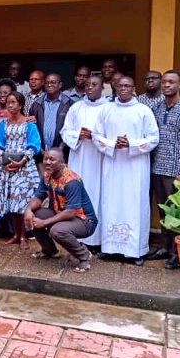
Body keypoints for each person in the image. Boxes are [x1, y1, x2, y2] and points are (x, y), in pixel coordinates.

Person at [94, 76, 159, 266]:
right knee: (110, 202)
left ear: (133, 88)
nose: (123, 89)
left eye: (127, 86)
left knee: (134, 204)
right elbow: (97, 136)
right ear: (115, 88)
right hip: (112, 165)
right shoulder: (106, 109)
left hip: (135, 167)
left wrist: (131, 144)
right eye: (120, 86)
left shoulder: (143, 111)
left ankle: (136, 251)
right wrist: (113, 144)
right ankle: (109, 247)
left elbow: (153, 138)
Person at [146, 70, 180, 270]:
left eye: (171, 82)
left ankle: (177, 252)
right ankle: (166, 248)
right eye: (165, 82)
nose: (167, 85)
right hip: (157, 167)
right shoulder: (157, 108)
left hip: (176, 170)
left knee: (177, 213)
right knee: (162, 210)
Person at [24, 148, 98, 272]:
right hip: (60, 214)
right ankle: (50, 250)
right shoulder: (47, 175)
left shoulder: (71, 181)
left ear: (62, 162)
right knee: (34, 215)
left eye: (52, 159)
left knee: (57, 231)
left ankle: (84, 255)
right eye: (46, 158)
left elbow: (71, 212)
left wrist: (44, 223)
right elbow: (38, 197)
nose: (47, 162)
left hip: (84, 221)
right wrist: (28, 211)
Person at [60, 75, 107, 249]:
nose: (90, 88)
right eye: (87, 85)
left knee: (98, 195)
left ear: (102, 88)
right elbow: (65, 131)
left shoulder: (109, 108)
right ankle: (78, 235)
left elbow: (113, 136)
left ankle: (97, 239)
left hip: (100, 159)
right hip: (79, 157)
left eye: (94, 85)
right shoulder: (76, 108)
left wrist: (95, 137)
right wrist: (78, 135)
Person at [0, 91, 42, 250]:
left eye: (13, 102)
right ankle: (15, 234)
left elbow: (34, 144)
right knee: (11, 201)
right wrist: (1, 160)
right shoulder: (3, 124)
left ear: (21, 105)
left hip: (24, 167)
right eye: (8, 102)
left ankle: (24, 236)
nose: (10, 105)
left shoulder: (29, 124)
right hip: (6, 167)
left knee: (21, 202)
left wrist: (22, 161)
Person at [28, 73, 73, 163]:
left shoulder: (69, 104)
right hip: (40, 156)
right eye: (47, 83)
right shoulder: (36, 104)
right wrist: (41, 151)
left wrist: (60, 149)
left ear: (60, 85)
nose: (49, 85)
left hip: (62, 156)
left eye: (53, 82)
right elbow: (31, 131)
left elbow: (72, 129)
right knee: (42, 177)